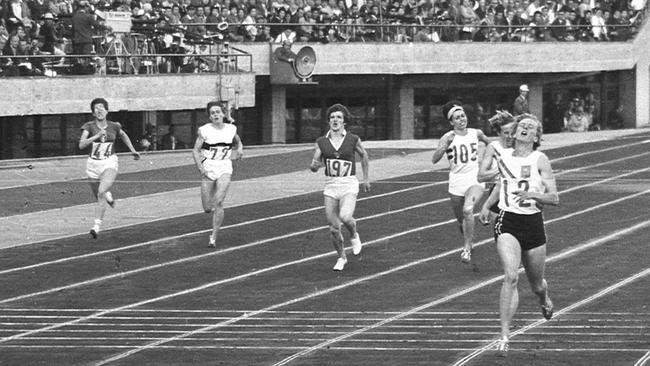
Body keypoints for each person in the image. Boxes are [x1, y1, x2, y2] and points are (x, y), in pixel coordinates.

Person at [478, 113, 558, 355]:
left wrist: (533, 195)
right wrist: (495, 180)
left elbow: (554, 198)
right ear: (513, 133)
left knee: (536, 285)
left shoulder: (540, 159)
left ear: (536, 137)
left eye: (530, 127)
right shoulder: (502, 157)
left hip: (533, 223)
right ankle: (504, 334)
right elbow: (483, 176)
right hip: (507, 221)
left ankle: (544, 299)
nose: (525, 128)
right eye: (521, 125)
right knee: (511, 276)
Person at [309, 103, 370, 271]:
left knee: (345, 216)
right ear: (329, 121)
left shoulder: (352, 139)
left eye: (339, 117)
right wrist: (314, 166)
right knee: (334, 229)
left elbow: (364, 155)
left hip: (348, 183)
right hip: (331, 185)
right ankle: (341, 257)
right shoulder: (321, 142)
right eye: (332, 117)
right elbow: (315, 163)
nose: (335, 120)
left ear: (344, 122)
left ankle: (354, 234)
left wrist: (366, 178)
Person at [431, 100, 491, 264]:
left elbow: (490, 144)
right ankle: (469, 239)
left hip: (474, 179)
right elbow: (434, 159)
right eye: (457, 118)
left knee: (468, 210)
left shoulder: (476, 133)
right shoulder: (447, 137)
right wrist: (444, 147)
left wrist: (490, 160)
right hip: (456, 182)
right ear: (451, 122)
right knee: (461, 221)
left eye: (463, 116)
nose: (461, 119)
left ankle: (466, 249)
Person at [78, 98, 141, 239]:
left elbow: (124, 135)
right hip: (93, 165)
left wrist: (132, 150)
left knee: (100, 192)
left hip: (109, 162)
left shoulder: (114, 126)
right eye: (96, 108)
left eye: (102, 107)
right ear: (93, 113)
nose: (99, 110)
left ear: (107, 110)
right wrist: (96, 136)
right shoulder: (88, 126)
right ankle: (107, 195)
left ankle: (96, 226)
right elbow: (81, 145)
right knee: (98, 195)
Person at [192, 101, 244, 248]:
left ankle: (213, 237)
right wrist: (200, 168)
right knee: (207, 208)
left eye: (217, 112)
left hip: (225, 166)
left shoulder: (231, 129)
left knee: (219, 201)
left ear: (223, 114)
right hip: (208, 166)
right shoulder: (204, 130)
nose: (215, 115)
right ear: (209, 116)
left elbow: (238, 142)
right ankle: (212, 210)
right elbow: (195, 150)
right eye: (212, 113)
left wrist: (240, 149)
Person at [477, 109, 516, 222]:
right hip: (498, 193)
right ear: (499, 133)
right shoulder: (494, 147)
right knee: (501, 232)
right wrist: (502, 170)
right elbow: (481, 176)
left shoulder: (520, 146)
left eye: (512, 133)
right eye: (506, 133)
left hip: (517, 191)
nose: (510, 136)